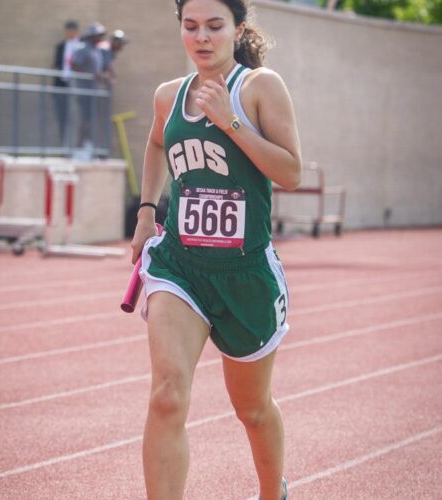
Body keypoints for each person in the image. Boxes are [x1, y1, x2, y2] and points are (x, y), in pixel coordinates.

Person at [130, 0, 302, 498]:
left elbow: (290, 172)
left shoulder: (260, 87)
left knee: (251, 409)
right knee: (166, 396)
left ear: (238, 29)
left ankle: (274, 491)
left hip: (244, 273)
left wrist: (230, 122)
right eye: (190, 26)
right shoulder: (169, 95)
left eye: (213, 26)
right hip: (179, 265)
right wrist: (146, 213)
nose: (201, 37)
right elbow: (158, 142)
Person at [71, 22, 112, 151]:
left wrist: (102, 77)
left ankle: (88, 143)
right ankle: (80, 145)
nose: (100, 37)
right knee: (85, 118)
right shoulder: (83, 48)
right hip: (85, 90)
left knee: (92, 118)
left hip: (94, 90)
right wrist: (91, 75)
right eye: (97, 35)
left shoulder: (97, 50)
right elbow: (75, 65)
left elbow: (99, 69)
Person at [52, 20, 81, 145]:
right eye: (67, 31)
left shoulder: (82, 45)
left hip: (78, 85)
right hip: (63, 84)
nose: (69, 33)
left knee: (77, 117)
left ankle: (77, 145)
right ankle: (64, 145)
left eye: (72, 31)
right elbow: (57, 64)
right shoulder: (61, 46)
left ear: (76, 31)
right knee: (63, 117)